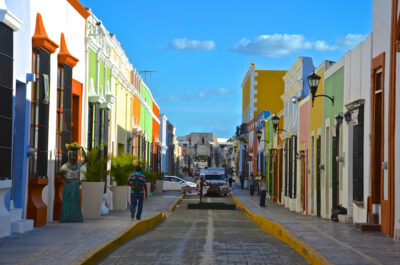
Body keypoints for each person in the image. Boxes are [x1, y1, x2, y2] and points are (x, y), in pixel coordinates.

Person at [58, 144, 87, 222]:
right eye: (72, 156)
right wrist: (65, 179)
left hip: (75, 184)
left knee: (75, 201)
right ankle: (66, 217)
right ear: (69, 156)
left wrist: (83, 151)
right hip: (68, 185)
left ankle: (75, 217)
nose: (74, 157)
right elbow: (60, 172)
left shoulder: (78, 164)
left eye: (75, 156)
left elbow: (86, 160)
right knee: (67, 201)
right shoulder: (66, 166)